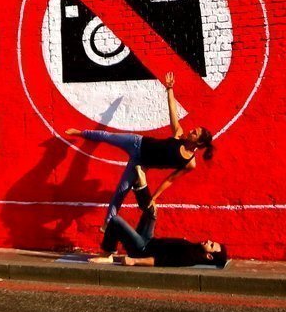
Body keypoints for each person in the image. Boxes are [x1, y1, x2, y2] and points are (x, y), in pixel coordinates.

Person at [65, 71, 214, 227]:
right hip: (136, 142)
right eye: (193, 130)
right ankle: (81, 133)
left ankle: (108, 224)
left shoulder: (190, 163)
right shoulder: (179, 135)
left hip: (140, 164)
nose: (191, 131)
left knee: (120, 193)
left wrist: (154, 197)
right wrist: (170, 90)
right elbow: (173, 113)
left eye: (194, 133)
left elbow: (170, 180)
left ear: (199, 143)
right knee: (107, 136)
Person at [92, 207, 228, 268]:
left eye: (211, 245)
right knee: (151, 210)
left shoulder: (189, 257)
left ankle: (108, 254)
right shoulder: (194, 248)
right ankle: (140, 185)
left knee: (115, 221)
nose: (209, 241)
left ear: (209, 256)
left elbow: (160, 261)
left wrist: (134, 261)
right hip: (148, 240)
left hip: (142, 249)